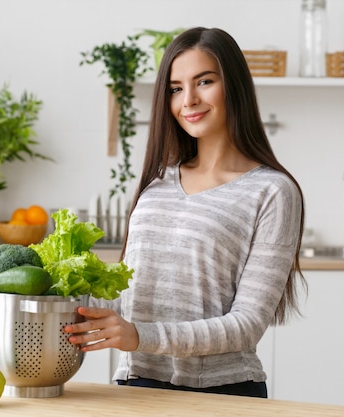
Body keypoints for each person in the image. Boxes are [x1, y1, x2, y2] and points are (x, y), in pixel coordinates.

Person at [64, 27, 306, 399]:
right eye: (176, 88)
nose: (188, 100)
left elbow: (247, 325)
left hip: (224, 393)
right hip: (136, 385)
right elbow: (129, 293)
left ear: (234, 85)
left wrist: (139, 335)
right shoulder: (156, 182)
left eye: (204, 81)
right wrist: (55, 293)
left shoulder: (272, 192)